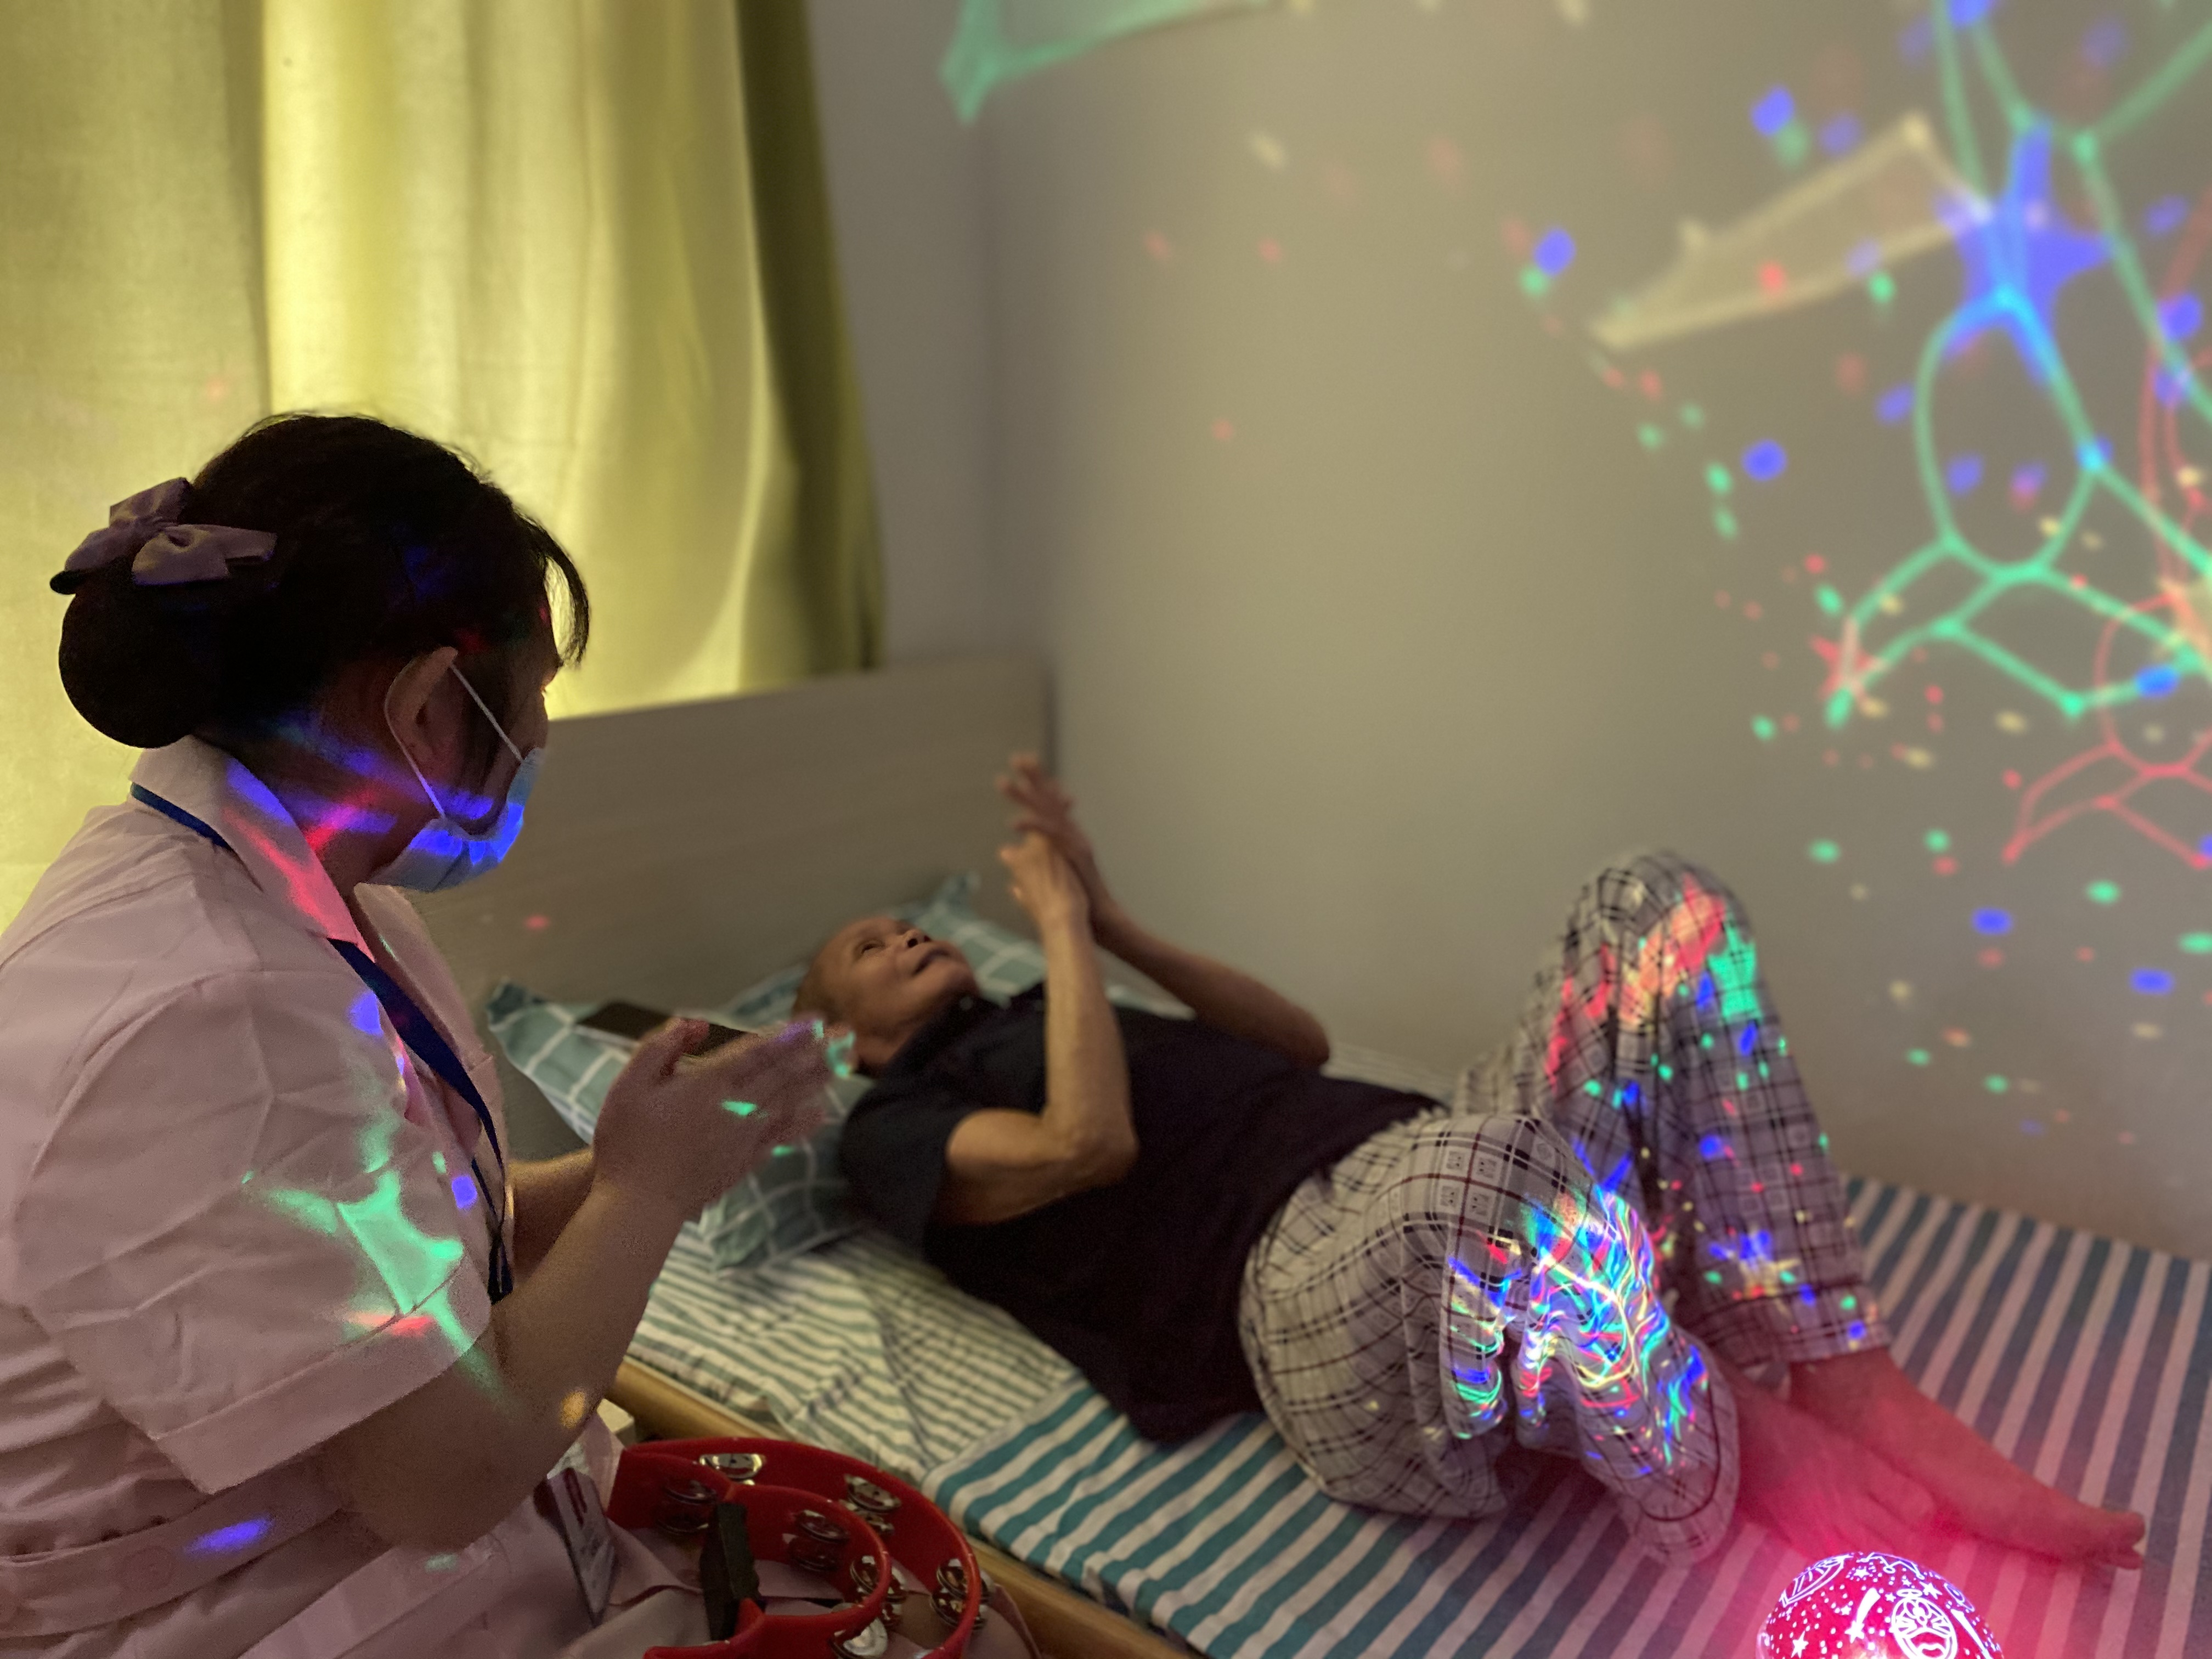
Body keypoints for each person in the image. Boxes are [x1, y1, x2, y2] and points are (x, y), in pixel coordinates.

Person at [809, 754, 2150, 1571]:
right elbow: (1086, 1146)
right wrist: (1055, 930)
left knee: (1653, 901)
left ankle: (1848, 1378)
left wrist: (1110, 922)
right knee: (1495, 1174)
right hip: (1298, 1300)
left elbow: (1298, 1043)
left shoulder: (1054, 1007)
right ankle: (1723, 1459)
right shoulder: (890, 1127)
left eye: (907, 927)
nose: (905, 936)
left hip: (1421, 1152)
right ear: (843, 1040)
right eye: (870, 948)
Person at [0, 414, 843, 1657]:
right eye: (533, 699)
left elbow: (407, 1238)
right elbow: (447, 1478)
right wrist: (648, 1197)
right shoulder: (208, 1015)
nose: (538, 739)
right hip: (246, 1606)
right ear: (428, 704)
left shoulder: (315, 902)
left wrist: (631, 1160)